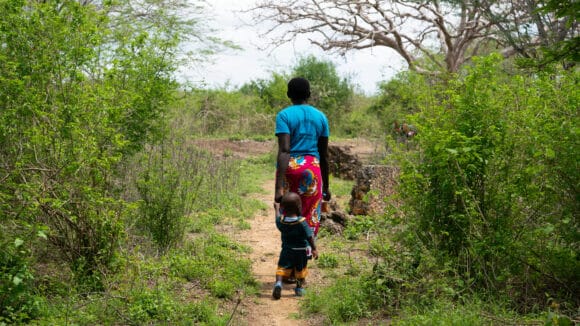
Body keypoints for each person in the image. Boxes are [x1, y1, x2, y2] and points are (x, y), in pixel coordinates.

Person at [274, 77, 331, 237]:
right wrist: (325, 187)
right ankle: (306, 248)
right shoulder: (321, 117)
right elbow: (324, 155)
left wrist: (278, 188)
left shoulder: (284, 116)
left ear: (288, 94)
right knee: (310, 211)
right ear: (309, 94)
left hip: (290, 169)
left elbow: (284, 150)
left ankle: (290, 247)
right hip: (312, 168)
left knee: (289, 213)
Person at [273, 192, 319, 299]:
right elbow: (309, 236)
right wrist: (314, 249)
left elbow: (277, 219)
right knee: (300, 270)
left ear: (283, 207)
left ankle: (278, 284)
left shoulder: (282, 221)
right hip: (301, 251)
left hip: (287, 250)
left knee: (282, 268)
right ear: (299, 207)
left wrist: (276, 208)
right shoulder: (302, 222)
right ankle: (299, 288)